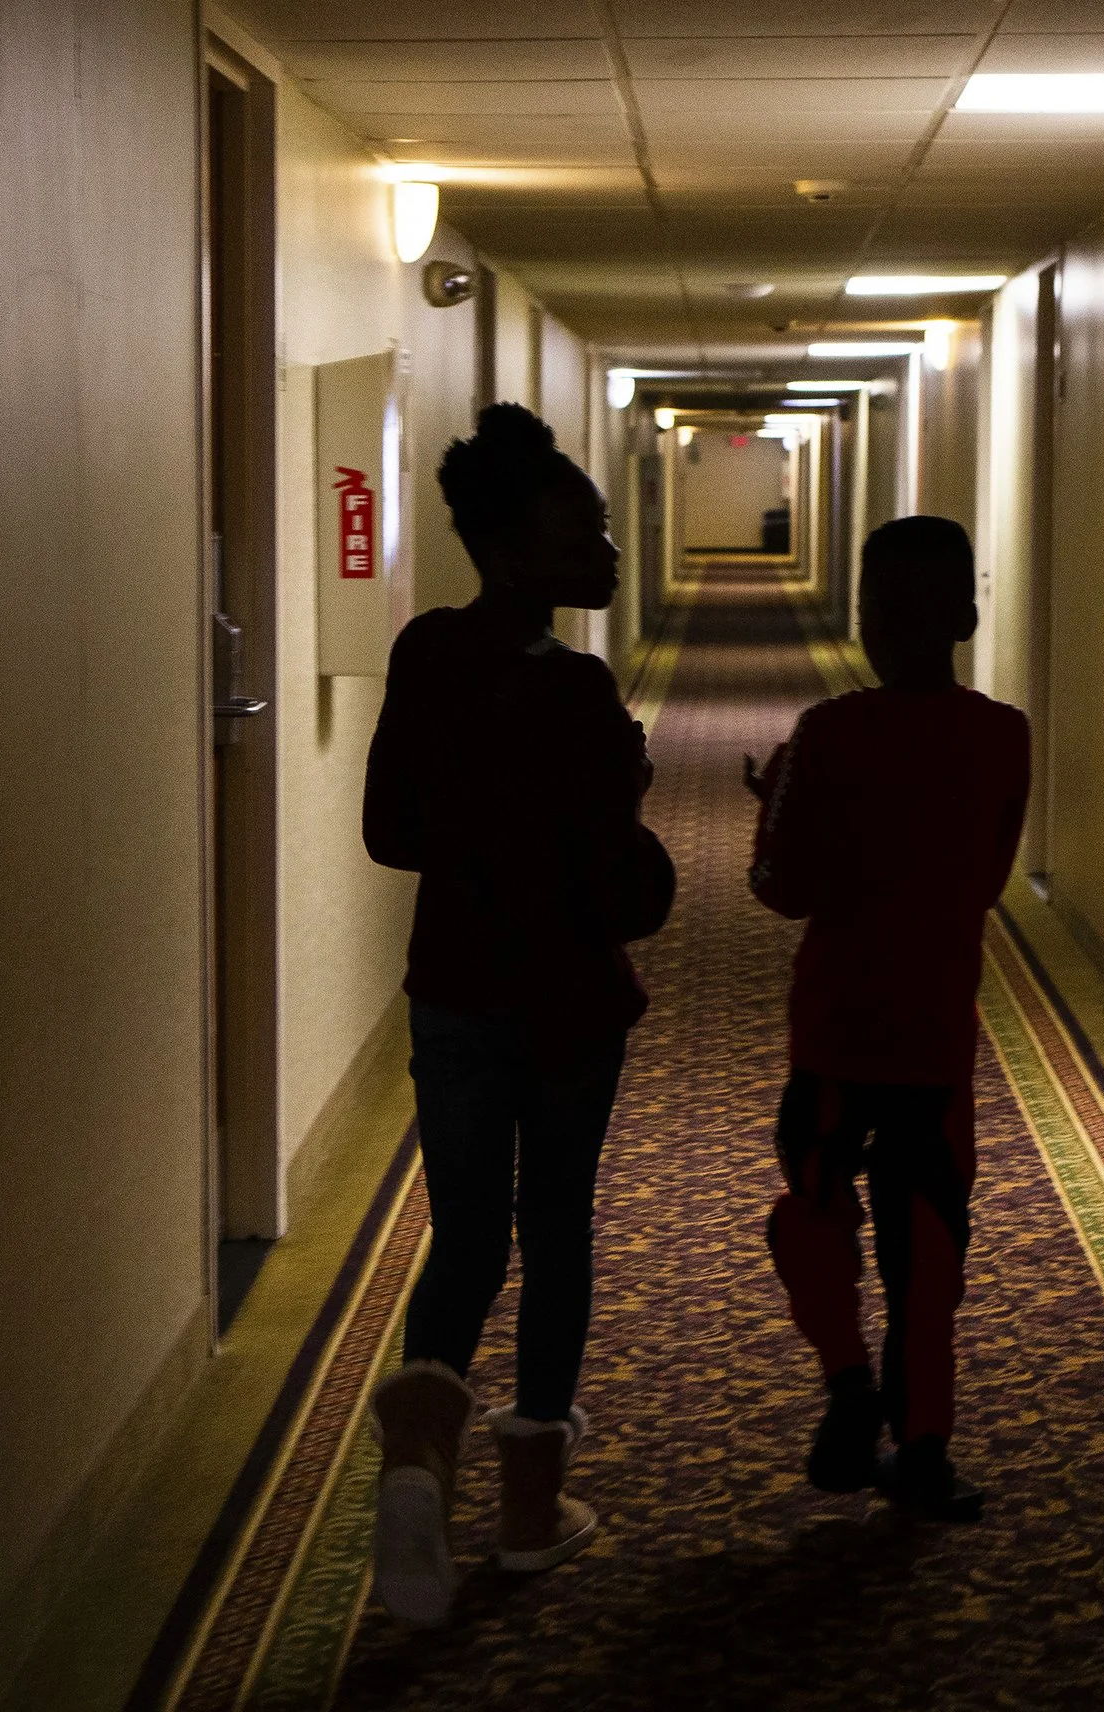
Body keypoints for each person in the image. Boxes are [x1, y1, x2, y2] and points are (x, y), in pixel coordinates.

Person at [361, 403, 674, 1625]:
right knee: (554, 1231)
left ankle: (413, 1467)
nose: (602, 552)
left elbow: (393, 832)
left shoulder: (425, 653)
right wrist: (624, 790)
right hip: (564, 1005)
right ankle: (532, 1512)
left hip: (453, 989)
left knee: (465, 1236)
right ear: (508, 550)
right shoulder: (580, 693)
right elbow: (631, 893)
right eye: (578, 534)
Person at [746, 515, 1030, 1522]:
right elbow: (988, 879)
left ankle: (844, 1376)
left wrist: (775, 795)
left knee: (814, 1208)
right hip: (933, 1033)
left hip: (831, 1029)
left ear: (865, 621)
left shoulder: (827, 733)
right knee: (929, 1248)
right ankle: (921, 1447)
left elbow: (777, 884)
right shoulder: (1004, 734)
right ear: (964, 614)